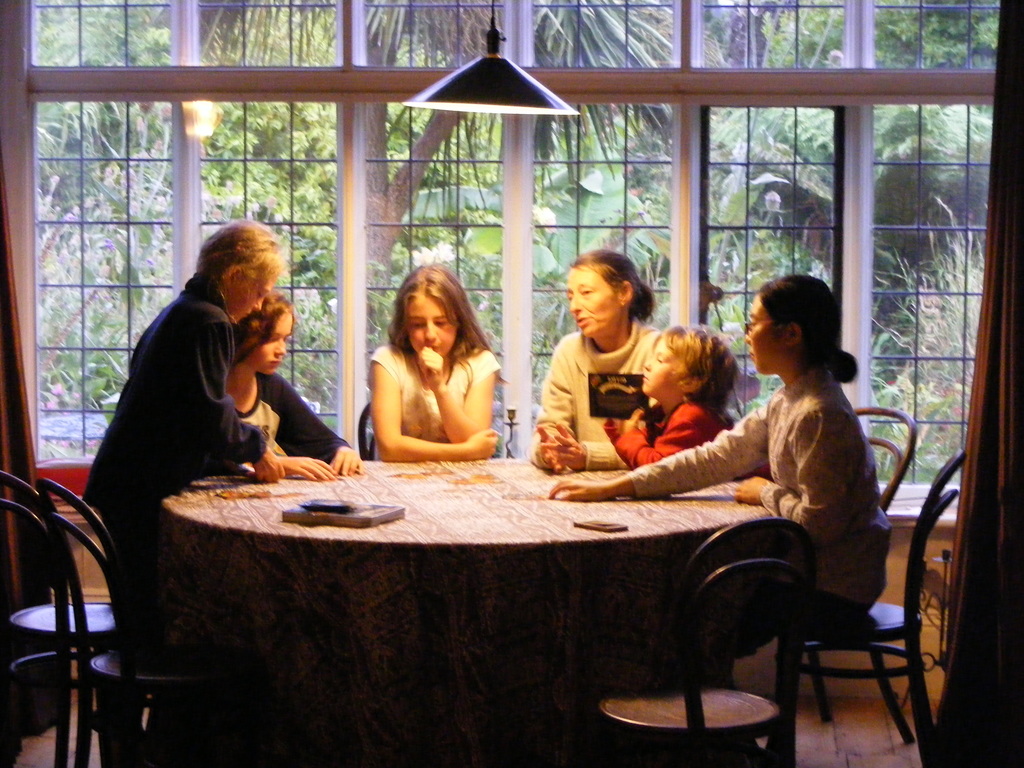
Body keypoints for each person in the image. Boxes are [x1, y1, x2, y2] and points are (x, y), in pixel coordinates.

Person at [550, 274, 889, 644]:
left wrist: (766, 493)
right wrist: (616, 487)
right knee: (678, 596)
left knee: (681, 604)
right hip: (804, 572)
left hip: (833, 589)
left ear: (790, 334)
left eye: (754, 324)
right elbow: (713, 458)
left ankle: (683, 699)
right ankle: (684, 697)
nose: (747, 335)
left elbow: (821, 524)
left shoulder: (818, 413)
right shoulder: (788, 399)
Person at [85, 220, 287, 644]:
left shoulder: (180, 310)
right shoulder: (210, 322)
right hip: (141, 491)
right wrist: (259, 447)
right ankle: (178, 704)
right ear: (234, 278)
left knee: (139, 616)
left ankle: (131, 708)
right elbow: (211, 417)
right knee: (154, 625)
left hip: (123, 484)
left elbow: (179, 413)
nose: (259, 304)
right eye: (260, 289)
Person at [531, 249, 658, 472]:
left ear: (624, 293)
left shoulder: (659, 351)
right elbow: (548, 428)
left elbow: (664, 452)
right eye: (570, 296)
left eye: (586, 293)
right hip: (578, 489)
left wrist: (589, 456)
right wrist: (550, 450)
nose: (574, 307)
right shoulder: (569, 351)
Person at [370, 264, 500, 461]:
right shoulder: (387, 361)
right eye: (418, 325)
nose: (430, 335)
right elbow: (390, 448)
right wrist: (465, 452)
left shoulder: (480, 362)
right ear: (405, 326)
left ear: (459, 321)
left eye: (440, 323)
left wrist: (440, 389)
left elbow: (477, 441)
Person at [227, 292, 363, 479]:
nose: (282, 350)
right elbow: (214, 461)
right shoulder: (212, 390)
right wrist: (278, 463)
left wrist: (342, 450)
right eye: (273, 339)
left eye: (286, 339)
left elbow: (318, 440)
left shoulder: (272, 387)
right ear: (247, 334)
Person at [603, 325, 737, 469]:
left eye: (660, 360)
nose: (647, 365)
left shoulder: (691, 418)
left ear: (690, 382)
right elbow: (638, 459)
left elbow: (657, 471)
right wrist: (619, 431)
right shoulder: (663, 413)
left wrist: (630, 435)